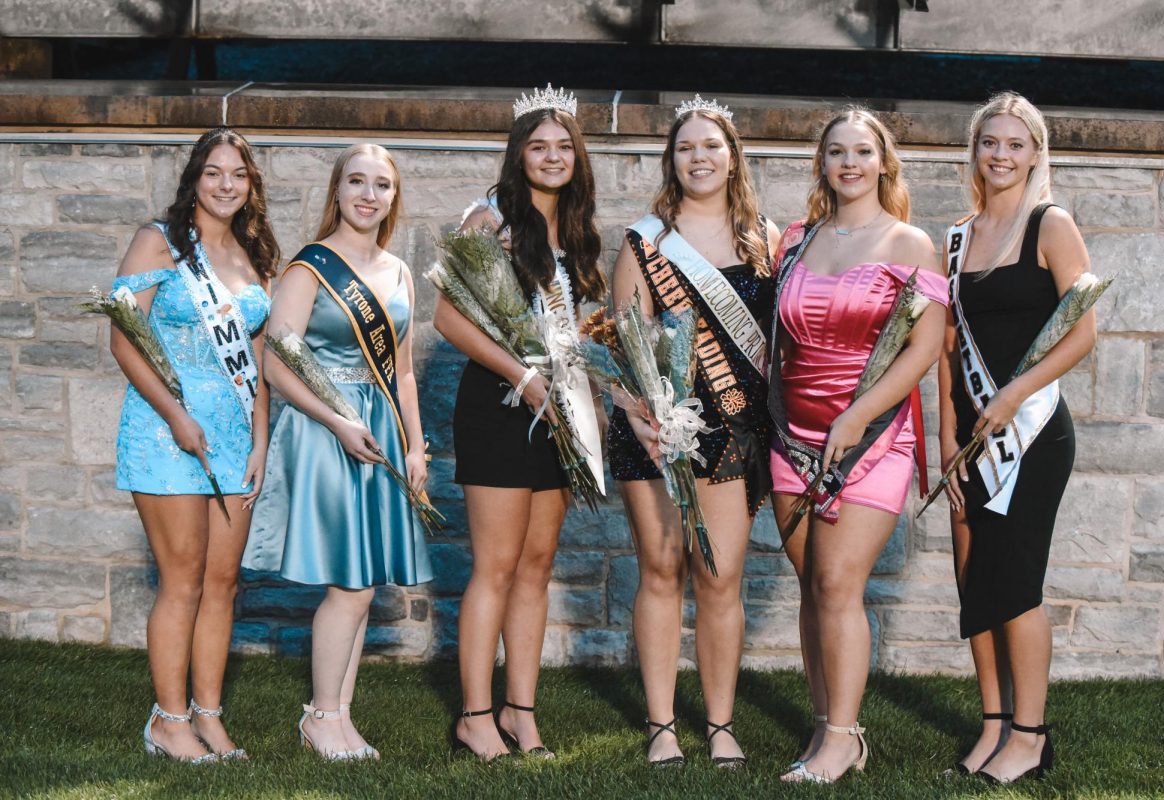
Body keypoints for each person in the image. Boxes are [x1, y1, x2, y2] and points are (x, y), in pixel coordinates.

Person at [770, 108, 948, 784]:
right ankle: (826, 729)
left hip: (871, 438)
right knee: (812, 587)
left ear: (883, 163)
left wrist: (859, 416)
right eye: (836, 152)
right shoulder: (798, 241)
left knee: (840, 583)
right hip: (794, 438)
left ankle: (843, 739)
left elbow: (925, 347)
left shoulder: (910, 244)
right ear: (823, 163)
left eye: (862, 151)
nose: (849, 163)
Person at [433, 85, 607, 761]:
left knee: (537, 565)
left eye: (564, 147)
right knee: (497, 565)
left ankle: (520, 711)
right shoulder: (490, 217)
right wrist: (520, 375)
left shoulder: (578, 229)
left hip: (558, 409)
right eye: (539, 146)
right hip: (501, 407)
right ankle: (475, 715)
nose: (553, 156)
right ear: (518, 154)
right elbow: (448, 317)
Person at [243, 143, 433, 760]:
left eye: (380, 184)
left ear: (392, 196)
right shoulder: (309, 268)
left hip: (380, 430)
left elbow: (402, 373)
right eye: (357, 181)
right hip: (327, 430)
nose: (367, 195)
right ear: (338, 189)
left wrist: (416, 447)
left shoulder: (400, 272)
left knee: (366, 581)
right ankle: (321, 718)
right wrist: (337, 421)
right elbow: (274, 364)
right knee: (348, 585)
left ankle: (339, 718)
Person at [606, 96, 778, 767]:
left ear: (732, 156)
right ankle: (660, 725)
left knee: (720, 577)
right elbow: (620, 348)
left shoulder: (762, 241)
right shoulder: (644, 242)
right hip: (658, 431)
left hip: (733, 433)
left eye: (711, 146)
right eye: (686, 148)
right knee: (660, 571)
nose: (699, 157)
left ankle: (721, 723)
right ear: (671, 160)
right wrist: (642, 420)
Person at [936, 91, 1096, 785]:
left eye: (1014, 143)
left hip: (1031, 435)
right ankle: (994, 725)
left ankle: (1031, 738)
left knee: (1018, 583)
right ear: (974, 151)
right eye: (989, 142)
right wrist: (945, 442)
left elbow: (1083, 331)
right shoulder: (956, 238)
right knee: (976, 581)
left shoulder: (1050, 226)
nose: (1000, 154)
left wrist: (1013, 394)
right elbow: (944, 350)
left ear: (1036, 153)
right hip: (969, 440)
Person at [111, 127, 278, 763]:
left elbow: (259, 363)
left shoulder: (252, 254)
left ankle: (208, 716)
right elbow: (124, 340)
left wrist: (262, 440)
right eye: (214, 172)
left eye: (238, 174)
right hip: (165, 431)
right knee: (181, 579)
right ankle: (167, 720)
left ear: (251, 185)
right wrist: (176, 415)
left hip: (236, 435)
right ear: (195, 179)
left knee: (223, 581)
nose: (226, 184)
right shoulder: (159, 241)